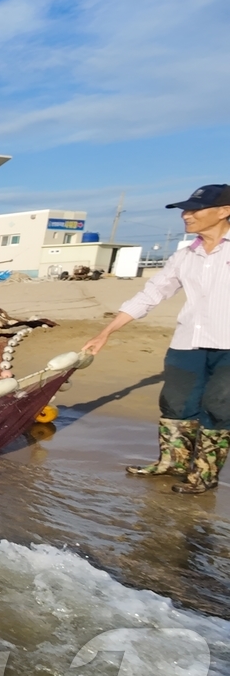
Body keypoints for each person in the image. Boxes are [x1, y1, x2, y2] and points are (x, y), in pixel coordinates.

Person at [83, 183, 230, 494]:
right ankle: (173, 463)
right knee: (175, 404)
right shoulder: (183, 256)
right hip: (188, 342)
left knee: (218, 406)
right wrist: (105, 332)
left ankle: (204, 474)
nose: (186, 215)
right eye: (185, 210)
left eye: (194, 209)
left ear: (224, 211)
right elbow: (151, 294)